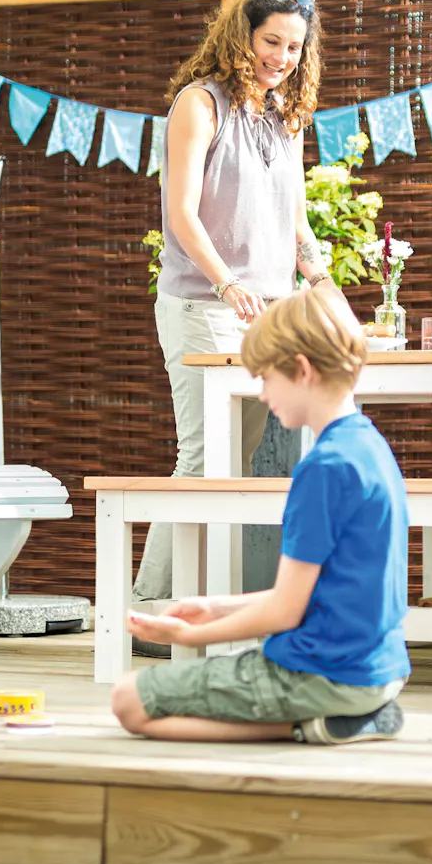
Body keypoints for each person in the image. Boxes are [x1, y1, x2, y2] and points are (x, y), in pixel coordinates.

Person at [137, 0, 341, 653]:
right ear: (241, 37)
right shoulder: (199, 105)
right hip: (203, 304)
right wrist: (226, 282)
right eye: (270, 41)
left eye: (293, 46)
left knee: (238, 458)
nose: (281, 56)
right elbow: (182, 213)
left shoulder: (286, 113)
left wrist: (320, 277)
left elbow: (293, 217)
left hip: (270, 312)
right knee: (201, 455)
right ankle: (147, 608)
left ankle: (191, 609)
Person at [114, 287, 409, 744]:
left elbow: (285, 610)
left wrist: (188, 639)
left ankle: (320, 723)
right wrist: (214, 608)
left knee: (129, 699)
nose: (263, 393)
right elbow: (312, 594)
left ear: (302, 370)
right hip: (380, 670)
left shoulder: (323, 469)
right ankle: (347, 716)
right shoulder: (370, 447)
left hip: (323, 675)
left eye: (267, 378)